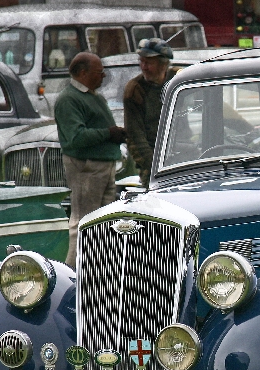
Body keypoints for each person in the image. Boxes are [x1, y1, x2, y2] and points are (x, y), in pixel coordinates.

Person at [55, 51, 126, 268]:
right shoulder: (69, 100)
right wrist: (108, 133)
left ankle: (99, 268)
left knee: (104, 222)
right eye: (99, 72)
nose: (103, 76)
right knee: (84, 221)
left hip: (102, 166)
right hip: (87, 168)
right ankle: (73, 274)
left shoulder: (92, 96)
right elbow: (75, 137)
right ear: (83, 73)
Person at [123, 38, 175, 188]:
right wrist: (155, 168)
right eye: (142, 62)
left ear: (163, 64)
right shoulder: (135, 90)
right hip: (153, 163)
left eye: (149, 63)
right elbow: (135, 137)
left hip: (183, 157)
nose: (144, 67)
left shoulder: (177, 80)